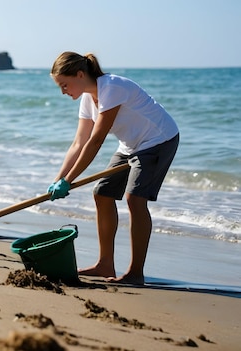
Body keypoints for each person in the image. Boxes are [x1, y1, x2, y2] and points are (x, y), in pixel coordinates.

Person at [47, 52, 179, 285]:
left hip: (158, 140)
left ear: (80, 74)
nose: (63, 91)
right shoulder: (88, 99)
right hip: (130, 146)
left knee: (135, 199)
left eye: (64, 85)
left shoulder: (112, 87)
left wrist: (69, 180)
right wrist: (59, 179)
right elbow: (79, 142)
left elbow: (95, 141)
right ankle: (104, 264)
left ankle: (135, 273)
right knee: (102, 194)